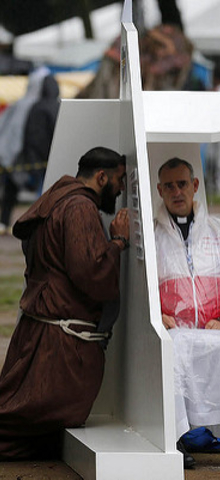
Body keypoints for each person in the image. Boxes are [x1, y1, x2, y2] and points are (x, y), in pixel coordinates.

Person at [0, 146, 129, 461]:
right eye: (120, 179)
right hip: (58, 337)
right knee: (30, 410)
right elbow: (89, 272)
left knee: (31, 411)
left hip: (42, 326)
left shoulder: (56, 200)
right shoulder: (79, 207)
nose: (122, 188)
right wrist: (118, 242)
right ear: (102, 177)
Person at [155, 157, 220, 468]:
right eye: (169, 186)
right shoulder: (152, 238)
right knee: (173, 351)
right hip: (174, 331)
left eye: (182, 184)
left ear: (195, 186)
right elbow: (142, 288)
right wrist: (156, 314)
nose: (176, 191)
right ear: (159, 190)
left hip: (212, 328)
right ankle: (177, 438)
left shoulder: (216, 231)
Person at [0, 66, 50, 234]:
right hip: (20, 157)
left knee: (31, 191)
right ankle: (7, 222)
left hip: (26, 156)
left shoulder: (27, 105)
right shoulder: (25, 105)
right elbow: (10, 130)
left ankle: (16, 223)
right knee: (13, 190)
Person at [0, 73, 60, 232]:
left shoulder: (34, 106)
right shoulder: (56, 106)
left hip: (33, 158)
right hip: (47, 158)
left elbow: (29, 135)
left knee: (38, 193)